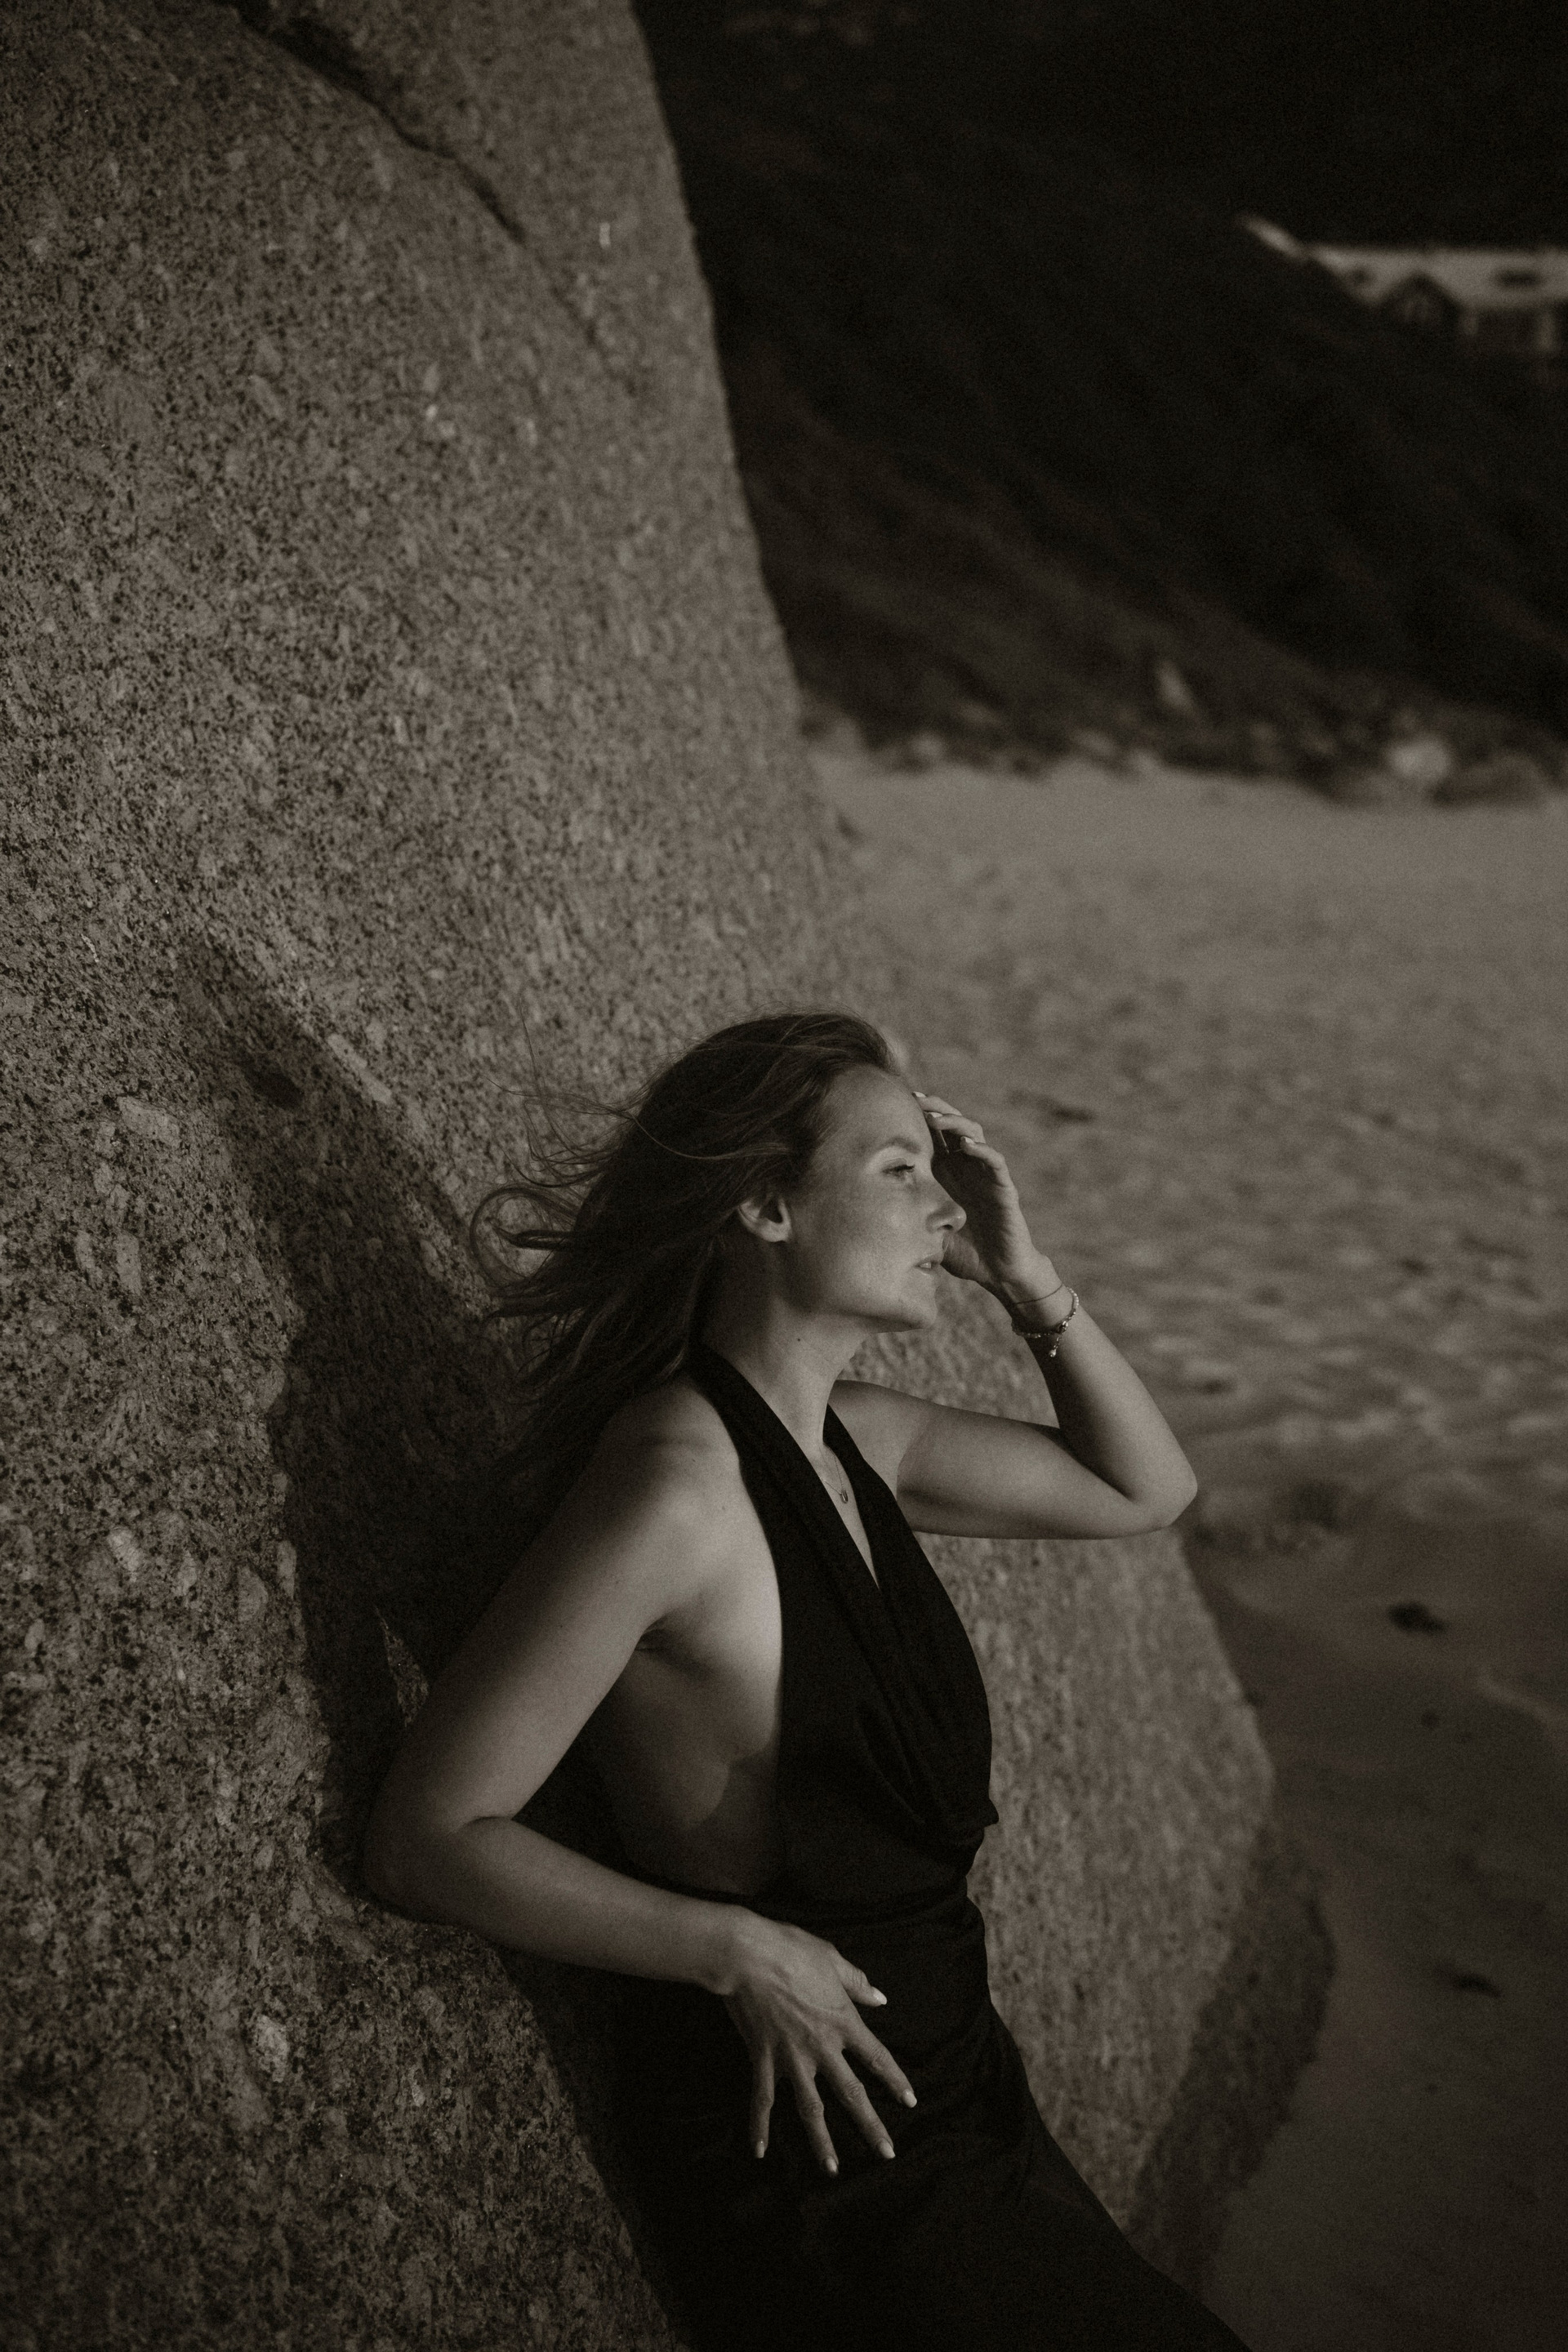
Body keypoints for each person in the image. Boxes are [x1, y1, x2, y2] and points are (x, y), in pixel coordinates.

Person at [363, 1011, 1250, 2350]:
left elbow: (1147, 1491)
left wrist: (1026, 1278)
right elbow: (427, 1837)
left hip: (960, 2086)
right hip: (815, 2144)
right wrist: (732, 1951)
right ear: (765, 1205)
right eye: (900, 1171)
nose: (945, 1207)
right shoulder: (675, 1490)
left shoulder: (861, 1444)